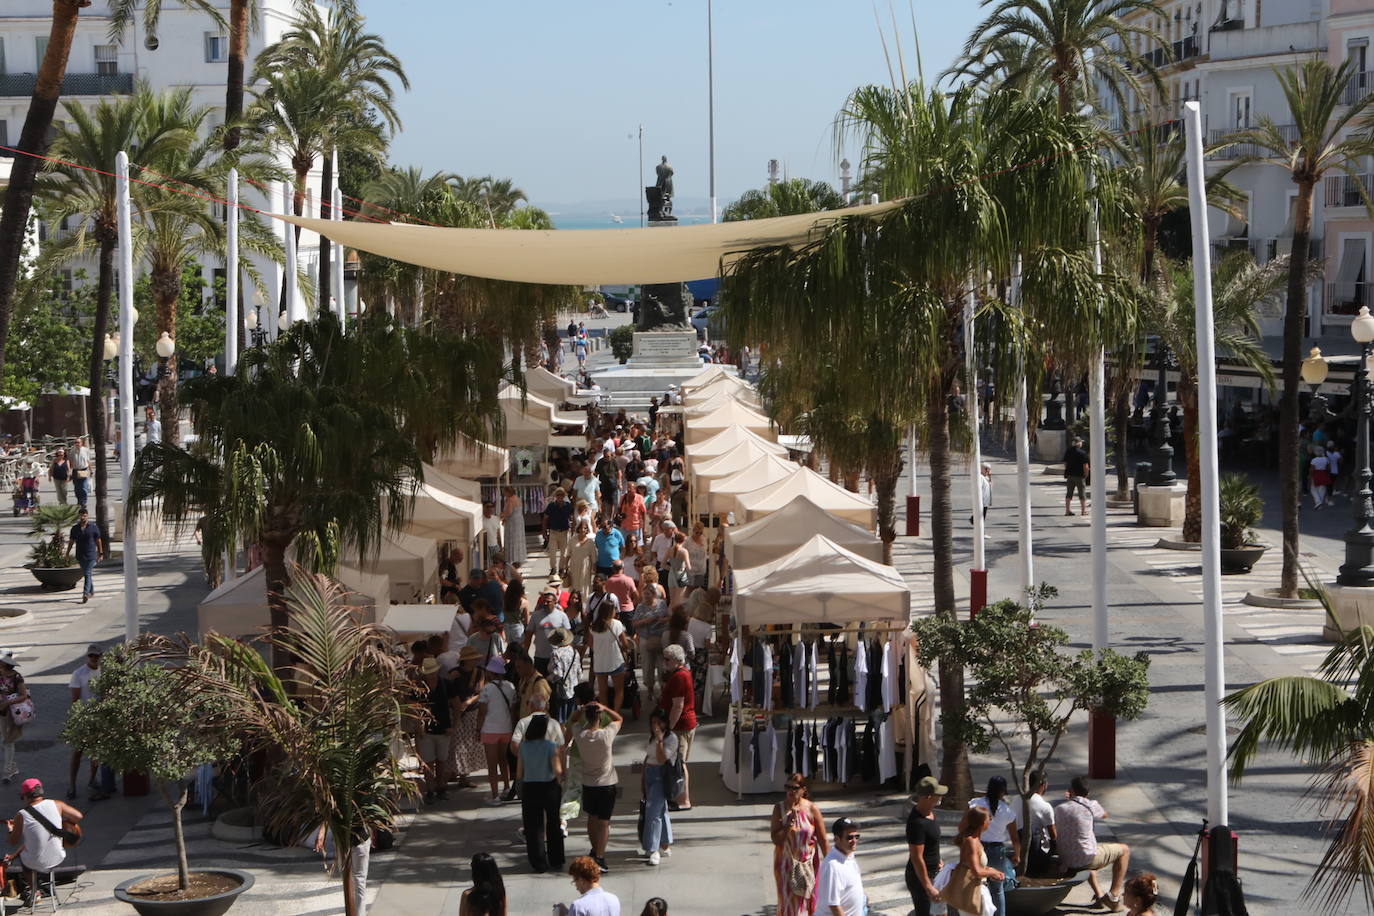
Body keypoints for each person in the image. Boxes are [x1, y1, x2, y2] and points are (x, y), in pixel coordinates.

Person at [1055, 776, 1130, 912]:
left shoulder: (1059, 808)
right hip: (1086, 857)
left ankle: (1100, 897)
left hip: (1065, 859)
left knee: (1087, 853)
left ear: (1070, 790)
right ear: (1087, 793)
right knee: (1124, 850)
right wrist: (1088, 802)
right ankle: (1113, 896)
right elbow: (1105, 815)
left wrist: (1069, 800)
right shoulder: (1091, 804)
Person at [5, 779, 83, 908]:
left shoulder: (22, 815)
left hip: (35, 863)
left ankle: (35, 892)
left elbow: (13, 841)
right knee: (29, 847)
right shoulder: (57, 804)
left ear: (25, 796)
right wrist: (62, 822)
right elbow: (78, 816)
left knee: (25, 857)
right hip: (58, 857)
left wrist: (11, 830)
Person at [572, 698, 622, 873]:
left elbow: (572, 720)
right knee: (604, 822)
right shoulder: (606, 735)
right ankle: (600, 856)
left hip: (588, 784)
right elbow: (619, 719)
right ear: (599, 717)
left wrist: (582, 708)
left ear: (587, 717)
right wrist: (606, 707)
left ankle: (594, 850)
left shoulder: (580, 735)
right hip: (607, 783)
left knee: (592, 819)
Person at [770, 773, 828, 915]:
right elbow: (775, 839)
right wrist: (788, 825)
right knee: (789, 906)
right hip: (785, 866)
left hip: (808, 865)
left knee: (809, 903)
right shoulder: (779, 809)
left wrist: (830, 864)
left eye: (794, 788)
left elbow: (823, 840)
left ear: (803, 789)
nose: (790, 791)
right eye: (787, 787)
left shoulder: (812, 809)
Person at [516, 710, 566, 873]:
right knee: (553, 822)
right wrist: (559, 783)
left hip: (530, 787)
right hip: (549, 786)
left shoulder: (523, 746)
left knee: (533, 826)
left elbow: (519, 773)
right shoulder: (551, 746)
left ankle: (538, 862)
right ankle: (556, 859)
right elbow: (557, 769)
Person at [970, 775, 1021, 916]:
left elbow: (965, 825)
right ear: (1002, 791)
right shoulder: (1007, 811)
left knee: (975, 885)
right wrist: (1017, 855)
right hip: (996, 850)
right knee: (998, 889)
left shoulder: (975, 804)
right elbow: (1015, 838)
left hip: (977, 847)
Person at [658, 644, 696, 809]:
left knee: (679, 764)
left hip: (680, 726)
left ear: (675, 660)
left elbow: (678, 705)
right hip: (685, 723)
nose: (664, 662)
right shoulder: (682, 674)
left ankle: (683, 800)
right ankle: (680, 797)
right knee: (679, 762)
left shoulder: (679, 677)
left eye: (667, 659)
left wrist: (669, 728)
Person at [947, 806, 1003, 916]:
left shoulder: (975, 840)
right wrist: (994, 872)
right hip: (972, 892)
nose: (990, 821)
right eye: (989, 818)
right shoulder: (971, 842)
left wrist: (988, 869)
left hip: (976, 888)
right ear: (982, 823)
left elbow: (972, 865)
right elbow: (976, 871)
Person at [66, 645, 105, 801]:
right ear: (87, 657)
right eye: (91, 656)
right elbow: (75, 699)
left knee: (95, 753)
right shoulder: (78, 674)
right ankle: (72, 785)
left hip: (98, 716)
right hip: (83, 717)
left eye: (96, 656)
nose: (94, 658)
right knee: (78, 752)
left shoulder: (104, 671)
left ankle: (92, 779)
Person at [477, 657, 517, 806]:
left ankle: (495, 795)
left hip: (490, 729)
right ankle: (506, 788)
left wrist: (477, 729)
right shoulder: (511, 687)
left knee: (492, 763)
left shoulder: (487, 689)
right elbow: (513, 710)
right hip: (506, 728)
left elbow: (481, 712)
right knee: (503, 759)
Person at [588, 580, 633, 712]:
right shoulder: (617, 624)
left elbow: (590, 644)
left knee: (603, 692)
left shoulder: (593, 626)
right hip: (615, 661)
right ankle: (616, 713)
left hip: (600, 663)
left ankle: (605, 714)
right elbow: (624, 644)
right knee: (619, 690)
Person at [906, 776, 947, 916]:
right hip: (921, 878)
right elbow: (916, 857)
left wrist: (938, 860)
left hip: (935, 873)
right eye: (938, 793)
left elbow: (932, 844)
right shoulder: (917, 823)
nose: (941, 796)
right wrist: (928, 887)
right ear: (929, 797)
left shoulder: (930, 814)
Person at [418, 657, 458, 803]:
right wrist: (418, 724)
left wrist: (455, 725)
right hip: (426, 731)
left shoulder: (446, 684)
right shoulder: (419, 687)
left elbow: (457, 704)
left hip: (444, 729)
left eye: (433, 672)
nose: (432, 675)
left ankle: (441, 787)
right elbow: (410, 705)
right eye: (429, 672)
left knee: (441, 760)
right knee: (428, 761)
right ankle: (430, 790)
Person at [640, 708, 676, 865]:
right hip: (649, 774)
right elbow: (648, 756)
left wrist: (660, 740)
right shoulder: (651, 738)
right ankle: (664, 843)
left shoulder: (671, 738)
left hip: (661, 775)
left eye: (658, 722)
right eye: (652, 722)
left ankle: (652, 848)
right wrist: (643, 777)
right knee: (660, 810)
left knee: (652, 813)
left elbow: (662, 759)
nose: (655, 726)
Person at [449, 648, 486, 790]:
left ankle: (464, 775)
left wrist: (468, 702)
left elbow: (480, 692)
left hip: (471, 711)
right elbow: (450, 692)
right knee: (457, 744)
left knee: (468, 744)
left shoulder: (479, 673)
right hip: (456, 711)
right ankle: (455, 772)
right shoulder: (454, 673)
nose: (475, 661)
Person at [816, 817, 866, 916]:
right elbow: (834, 905)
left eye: (857, 836)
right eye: (849, 837)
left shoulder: (849, 856)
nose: (854, 841)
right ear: (837, 839)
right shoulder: (833, 866)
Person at [527, 588, 573, 676]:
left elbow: (568, 637)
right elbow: (528, 635)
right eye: (544, 601)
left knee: (555, 685)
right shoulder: (535, 616)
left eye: (548, 602)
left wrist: (568, 654)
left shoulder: (562, 616)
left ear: (555, 602)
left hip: (557, 657)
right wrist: (525, 652)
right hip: (540, 657)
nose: (545, 604)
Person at [64, 508, 103, 604]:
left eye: (84, 515)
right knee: (87, 574)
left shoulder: (93, 527)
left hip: (91, 555)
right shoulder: (75, 529)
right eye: (81, 515)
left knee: (87, 573)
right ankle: (91, 591)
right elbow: (71, 542)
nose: (82, 517)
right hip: (80, 556)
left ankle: (85, 593)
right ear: (79, 516)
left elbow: (98, 541)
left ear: (87, 516)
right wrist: (67, 554)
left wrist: (101, 553)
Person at [0, 653, 27, 785]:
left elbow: (24, 695)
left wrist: (7, 702)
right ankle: (12, 766)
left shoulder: (17, 677)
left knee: (8, 741)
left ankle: (7, 771)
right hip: (2, 712)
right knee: (4, 740)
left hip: (13, 713)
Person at [1025, 770, 1058, 878]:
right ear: (1044, 785)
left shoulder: (1017, 800)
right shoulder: (1044, 806)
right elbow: (1053, 835)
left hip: (1019, 845)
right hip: (1036, 851)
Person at [545, 487, 575, 577]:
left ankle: (561, 568)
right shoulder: (551, 506)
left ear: (564, 496)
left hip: (564, 532)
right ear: (555, 496)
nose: (560, 497)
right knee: (552, 552)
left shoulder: (568, 506)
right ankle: (553, 568)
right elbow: (545, 518)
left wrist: (573, 530)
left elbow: (573, 518)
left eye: (561, 495)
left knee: (564, 552)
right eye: (558, 495)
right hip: (553, 531)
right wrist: (544, 531)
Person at [568, 521, 597, 596]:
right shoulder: (572, 540)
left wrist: (594, 565)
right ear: (578, 529)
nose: (583, 530)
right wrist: (565, 566)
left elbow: (593, 555)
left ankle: (585, 603)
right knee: (575, 583)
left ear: (587, 530)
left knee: (585, 584)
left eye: (585, 528)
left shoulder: (590, 542)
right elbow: (568, 553)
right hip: (574, 565)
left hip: (586, 567)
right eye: (581, 528)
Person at [500, 486, 527, 565]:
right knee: (518, 538)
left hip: (512, 522)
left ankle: (512, 557)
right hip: (519, 521)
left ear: (508, 492)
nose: (503, 493)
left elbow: (509, 512)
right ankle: (519, 557)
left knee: (512, 538)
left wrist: (502, 516)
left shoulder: (510, 500)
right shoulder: (518, 498)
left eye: (504, 492)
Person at [1063, 437, 1089, 517]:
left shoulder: (1068, 452)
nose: (1082, 444)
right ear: (1079, 443)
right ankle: (1083, 510)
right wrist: (1086, 474)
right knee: (1082, 493)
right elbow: (1086, 466)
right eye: (1081, 442)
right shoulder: (1082, 453)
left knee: (1069, 493)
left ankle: (1067, 510)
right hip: (1079, 476)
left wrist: (1068, 470)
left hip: (1070, 475)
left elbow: (1065, 463)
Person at [503, 579, 530, 650]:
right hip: (517, 627)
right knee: (519, 649)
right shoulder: (524, 602)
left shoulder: (505, 601)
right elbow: (526, 621)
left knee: (510, 648)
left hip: (507, 626)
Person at [666, 531, 690, 606]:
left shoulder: (670, 549)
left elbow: (662, 564)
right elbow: (688, 567)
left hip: (671, 574)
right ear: (683, 541)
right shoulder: (684, 551)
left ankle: (670, 616)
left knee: (672, 601)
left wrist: (672, 568)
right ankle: (677, 616)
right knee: (679, 600)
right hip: (681, 574)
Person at [685, 523, 709, 592]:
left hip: (701, 569)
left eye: (700, 533)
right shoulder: (687, 541)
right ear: (693, 531)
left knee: (698, 589)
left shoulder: (704, 539)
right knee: (690, 588)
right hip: (690, 569)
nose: (698, 534)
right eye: (697, 532)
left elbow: (706, 551)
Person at [69, 437, 91, 508]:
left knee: (83, 487)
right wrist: (70, 472)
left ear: (81, 443)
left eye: (78, 442)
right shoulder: (72, 451)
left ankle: (83, 501)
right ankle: (79, 500)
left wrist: (91, 470)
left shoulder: (85, 450)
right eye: (76, 442)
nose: (77, 444)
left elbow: (88, 460)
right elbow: (71, 462)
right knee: (77, 487)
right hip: (75, 470)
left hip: (83, 470)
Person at [480, 502, 503, 568]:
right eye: (487, 506)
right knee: (488, 566)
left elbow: (498, 534)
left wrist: (500, 546)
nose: (489, 508)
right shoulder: (480, 520)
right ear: (483, 508)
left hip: (495, 546)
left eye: (491, 506)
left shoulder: (496, 518)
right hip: (486, 547)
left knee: (498, 566)